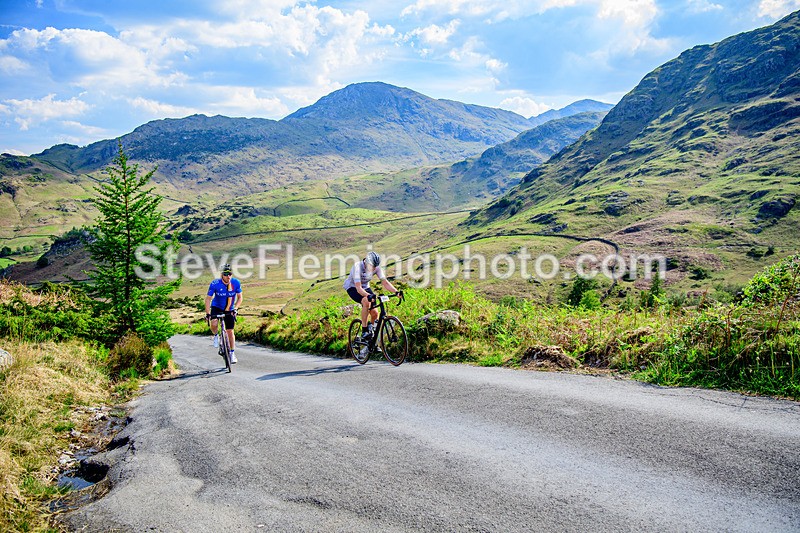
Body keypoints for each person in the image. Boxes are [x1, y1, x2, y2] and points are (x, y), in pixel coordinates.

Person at [343, 251, 401, 340]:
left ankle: (371, 335)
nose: (374, 269)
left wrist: (396, 292)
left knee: (375, 313)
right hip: (353, 287)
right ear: (367, 262)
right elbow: (358, 288)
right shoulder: (357, 267)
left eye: (375, 266)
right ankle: (364, 330)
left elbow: (385, 282)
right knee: (366, 301)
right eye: (372, 266)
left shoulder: (376, 268)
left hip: (365, 287)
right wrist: (368, 295)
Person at [205, 264, 243, 363]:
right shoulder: (215, 283)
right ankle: (216, 335)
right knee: (214, 323)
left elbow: (240, 298)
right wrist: (208, 313)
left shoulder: (235, 283)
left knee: (230, 331)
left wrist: (236, 308)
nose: (228, 276)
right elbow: (208, 299)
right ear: (222, 275)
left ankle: (232, 353)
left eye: (230, 274)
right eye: (226, 274)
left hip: (229, 308)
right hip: (217, 307)